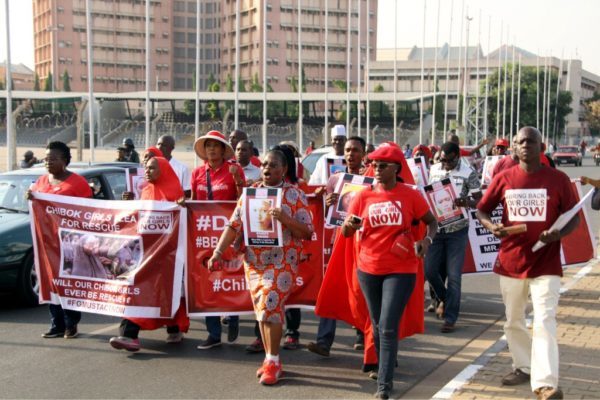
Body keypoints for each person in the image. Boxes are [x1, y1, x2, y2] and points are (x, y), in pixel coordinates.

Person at [476, 127, 580, 400]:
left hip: (546, 263)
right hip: (512, 261)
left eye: (530, 141)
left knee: (545, 320)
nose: (525, 146)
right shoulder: (504, 178)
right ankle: (523, 366)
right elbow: (482, 209)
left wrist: (559, 233)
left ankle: (545, 384)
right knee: (513, 320)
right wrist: (491, 226)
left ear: (541, 146)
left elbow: (574, 218)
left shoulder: (558, 180)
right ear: (513, 147)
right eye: (520, 142)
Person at [340, 142, 437, 399]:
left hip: (402, 268)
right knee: (376, 323)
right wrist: (349, 225)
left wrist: (426, 241)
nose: (376, 170)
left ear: (395, 168)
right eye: (374, 165)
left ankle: (384, 384)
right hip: (368, 268)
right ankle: (386, 364)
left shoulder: (411, 195)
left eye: (382, 166)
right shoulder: (363, 196)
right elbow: (346, 233)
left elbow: (432, 222)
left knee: (388, 325)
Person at [208, 149, 313, 385]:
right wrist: (217, 252)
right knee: (263, 312)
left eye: (273, 165)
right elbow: (234, 225)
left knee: (270, 304)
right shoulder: (251, 193)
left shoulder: (294, 195)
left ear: (284, 169)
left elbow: (307, 232)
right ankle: (269, 359)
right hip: (254, 262)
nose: (266, 168)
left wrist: (284, 218)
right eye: (264, 164)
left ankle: (274, 361)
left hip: (282, 262)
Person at [109, 156, 189, 352]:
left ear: (162, 170)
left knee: (167, 293)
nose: (147, 171)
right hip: (144, 253)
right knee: (137, 290)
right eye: (146, 168)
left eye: (152, 168)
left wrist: (182, 207)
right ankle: (128, 334)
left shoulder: (174, 193)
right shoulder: (145, 190)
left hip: (168, 255)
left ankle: (174, 326)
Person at [307, 136, 367, 358]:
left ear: (363, 154)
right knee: (332, 288)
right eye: (349, 150)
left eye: (356, 150)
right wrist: (328, 204)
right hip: (339, 240)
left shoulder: (370, 179)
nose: (351, 154)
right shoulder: (335, 179)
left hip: (363, 243)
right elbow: (327, 218)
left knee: (361, 290)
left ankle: (362, 334)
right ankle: (324, 341)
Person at [27, 141, 93, 339]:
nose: (48, 162)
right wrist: (30, 198)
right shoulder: (40, 182)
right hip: (47, 243)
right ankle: (56, 324)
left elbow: (89, 211)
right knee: (51, 284)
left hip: (70, 243)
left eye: (53, 159)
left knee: (68, 284)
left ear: (65, 160)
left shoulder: (77, 183)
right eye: (46, 159)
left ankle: (71, 323)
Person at [191, 130, 246, 349]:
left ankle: (233, 317)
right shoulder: (196, 173)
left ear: (224, 150)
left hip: (229, 233)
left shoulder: (234, 169)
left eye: (216, 145)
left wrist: (237, 179)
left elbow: (243, 200)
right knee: (207, 280)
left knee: (231, 275)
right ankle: (213, 333)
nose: (211, 149)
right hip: (203, 236)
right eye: (208, 146)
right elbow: (194, 203)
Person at [425, 141, 482, 333]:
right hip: (437, 228)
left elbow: (479, 200)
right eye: (442, 160)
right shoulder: (434, 169)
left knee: (454, 275)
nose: (445, 164)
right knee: (430, 271)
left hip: (458, 230)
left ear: (458, 156)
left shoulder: (469, 172)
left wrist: (466, 201)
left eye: (449, 161)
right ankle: (446, 299)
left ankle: (450, 318)